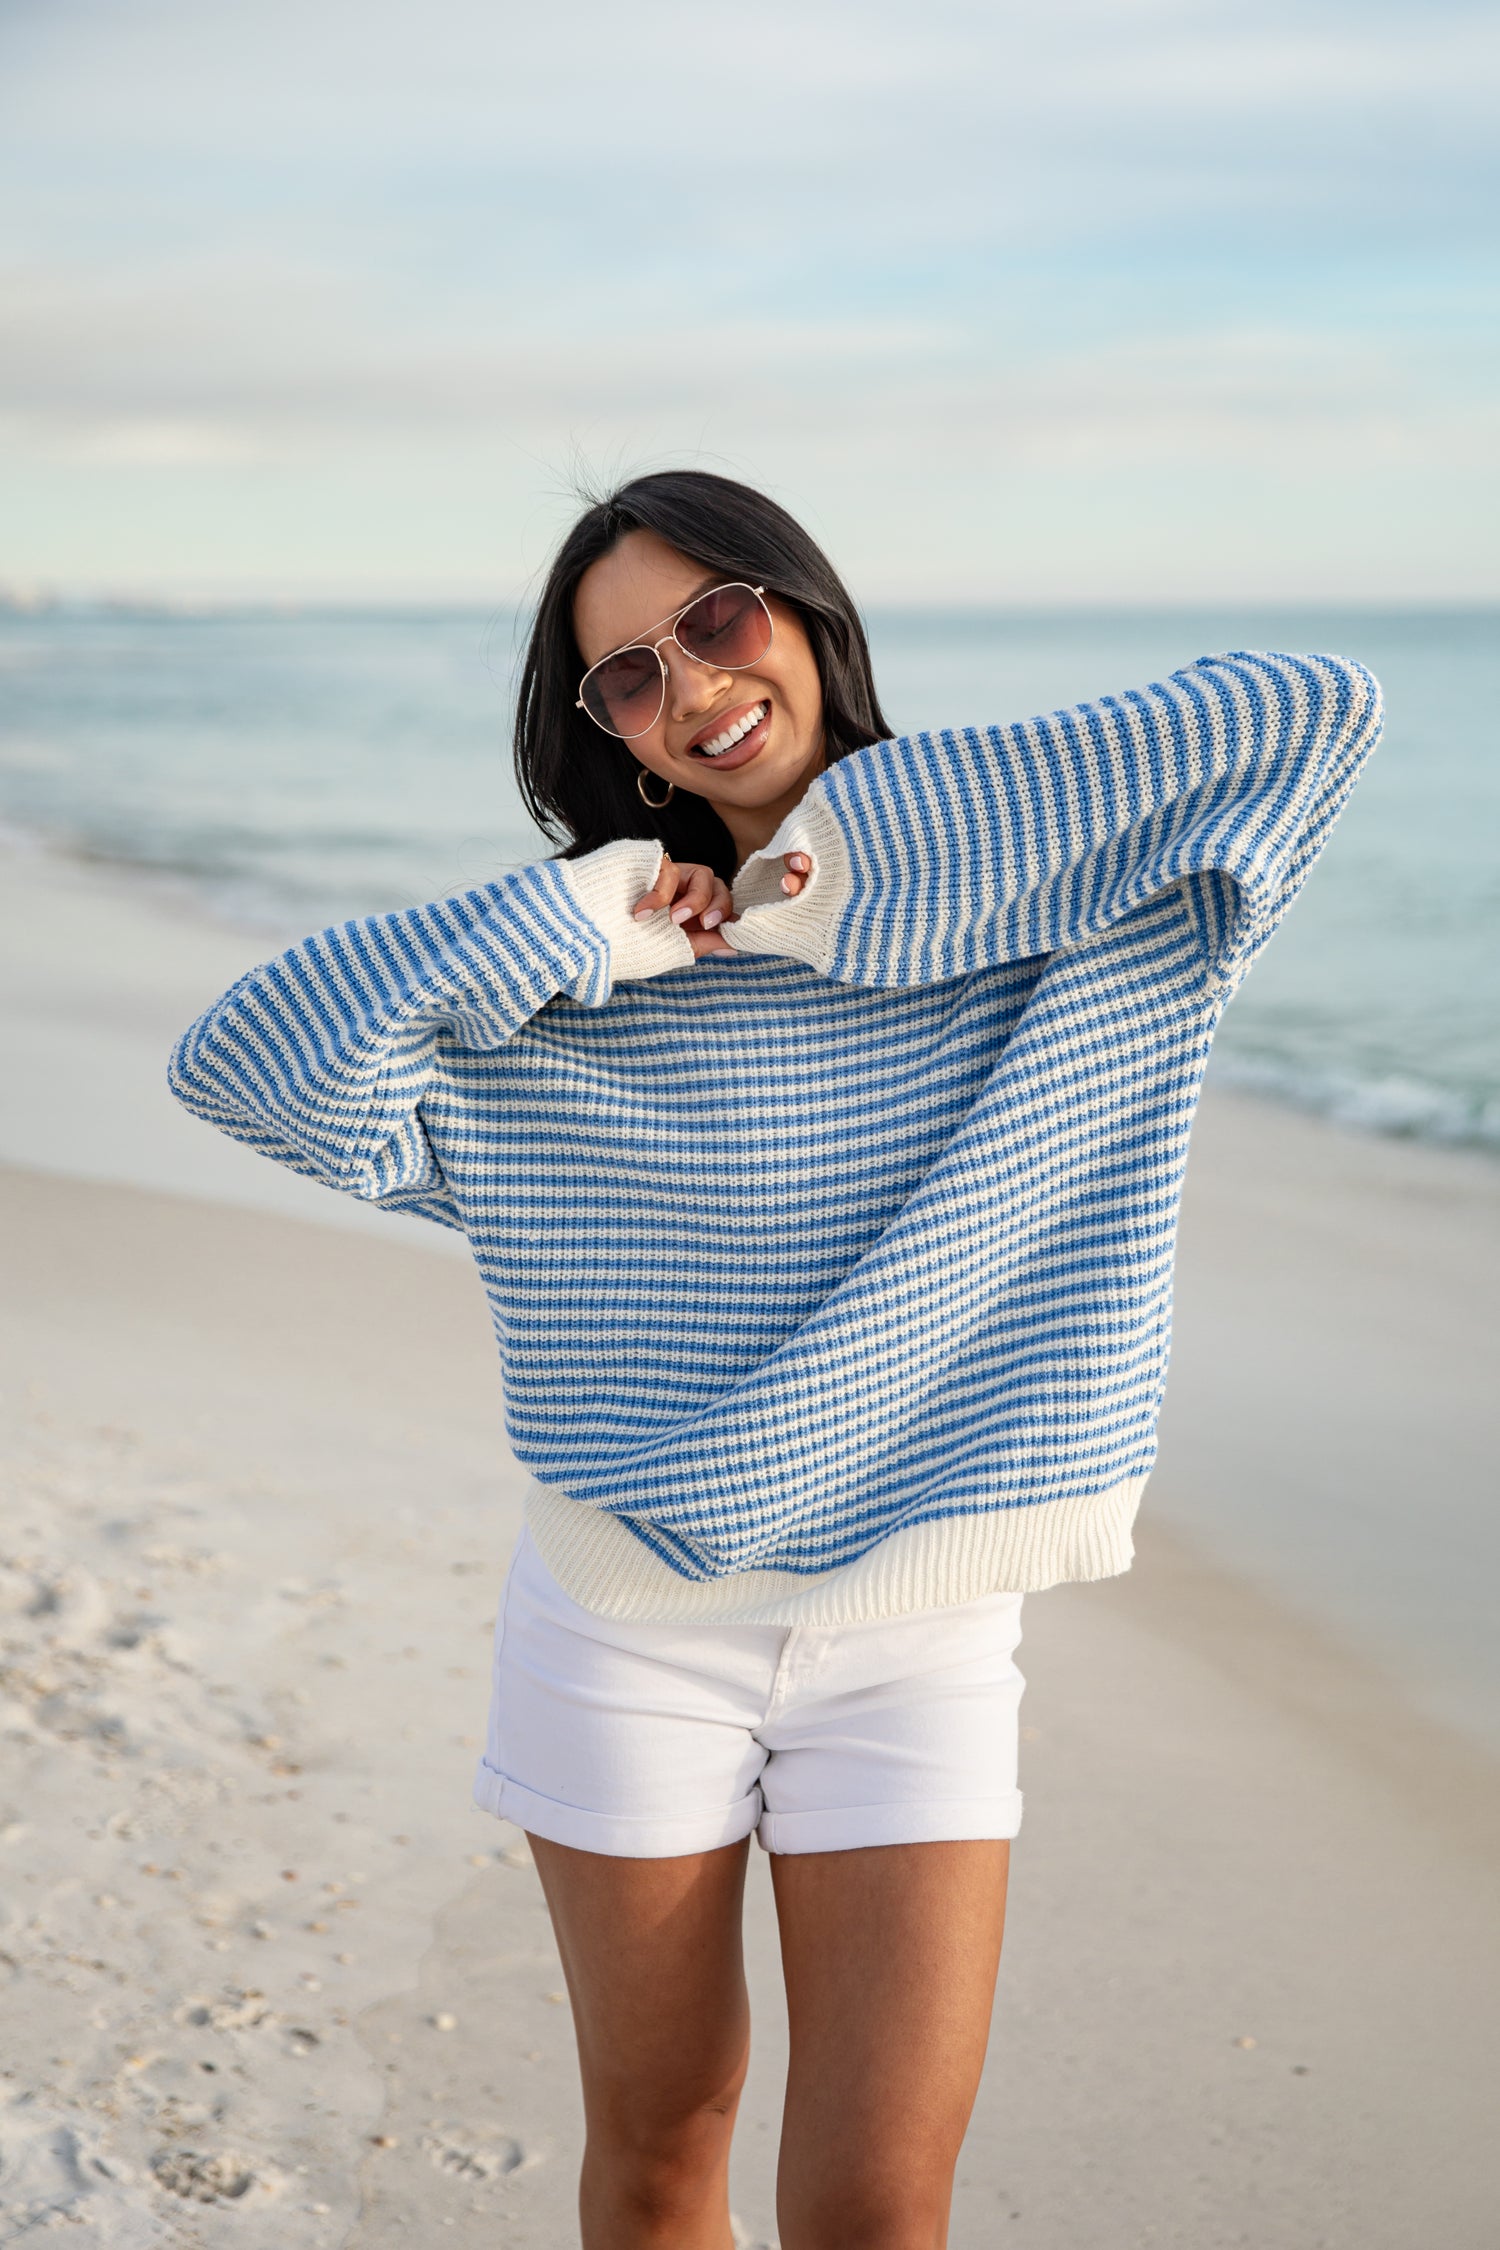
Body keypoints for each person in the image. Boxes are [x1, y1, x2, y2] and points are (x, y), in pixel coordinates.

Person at [169, 470, 1382, 2249]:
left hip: (920, 1632)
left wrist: (849, 864)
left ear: (802, 610)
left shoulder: (1090, 919)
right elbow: (243, 1062)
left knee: (880, 2206)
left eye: (719, 618)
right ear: (621, 744)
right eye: (630, 679)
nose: (696, 683)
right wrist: (583, 921)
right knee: (664, 2147)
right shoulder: (589, 1000)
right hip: (628, 1628)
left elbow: (1309, 711)